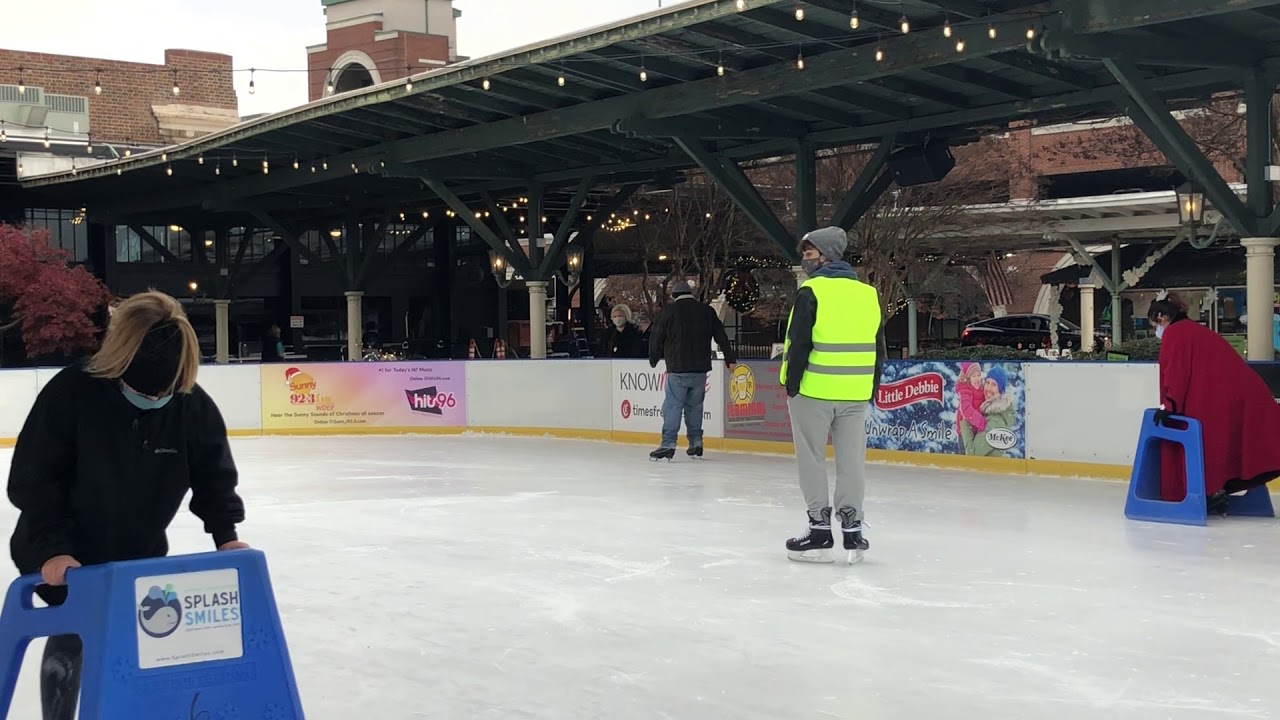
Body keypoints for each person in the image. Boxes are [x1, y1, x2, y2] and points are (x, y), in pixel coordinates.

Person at [7, 291, 248, 720]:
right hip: (64, 546)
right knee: (73, 633)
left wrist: (225, 535)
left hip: (139, 546)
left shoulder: (190, 404)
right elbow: (35, 478)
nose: (155, 400)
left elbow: (213, 473)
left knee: (146, 641)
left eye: (165, 393)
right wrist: (51, 547)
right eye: (142, 390)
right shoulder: (72, 393)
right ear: (119, 366)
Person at [779, 227, 886, 564]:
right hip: (854, 393)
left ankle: (819, 529)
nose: (805, 260)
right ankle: (853, 529)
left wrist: (791, 384)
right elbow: (878, 348)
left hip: (813, 390)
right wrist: (871, 387)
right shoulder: (868, 294)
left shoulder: (811, 291)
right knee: (852, 461)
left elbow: (798, 344)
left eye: (809, 253)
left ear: (825, 256)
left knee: (811, 458)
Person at [1149, 296, 1280, 514]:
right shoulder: (1194, 330)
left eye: (1154, 325)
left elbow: (1176, 373)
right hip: (1237, 393)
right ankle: (1216, 490)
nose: (1156, 331)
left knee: (1209, 442)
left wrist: (1169, 407)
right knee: (1227, 443)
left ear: (1161, 318)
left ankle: (1209, 491)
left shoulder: (1175, 333)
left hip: (1218, 398)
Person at [647, 281, 736, 460]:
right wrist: (730, 359)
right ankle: (696, 443)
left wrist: (654, 359)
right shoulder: (706, 311)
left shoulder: (669, 312)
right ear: (691, 293)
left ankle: (668, 444)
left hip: (678, 369)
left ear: (674, 295)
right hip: (700, 370)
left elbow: (656, 337)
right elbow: (721, 335)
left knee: (673, 406)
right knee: (695, 407)